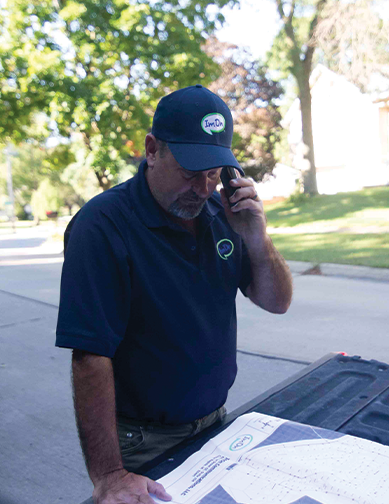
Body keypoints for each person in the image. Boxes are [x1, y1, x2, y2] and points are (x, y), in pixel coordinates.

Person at [55, 84, 293, 504]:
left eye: (214, 172)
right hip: (141, 444)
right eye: (189, 171)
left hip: (216, 424)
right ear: (152, 150)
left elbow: (277, 302)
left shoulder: (223, 213)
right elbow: (90, 356)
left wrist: (258, 238)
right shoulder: (102, 226)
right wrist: (109, 475)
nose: (202, 188)